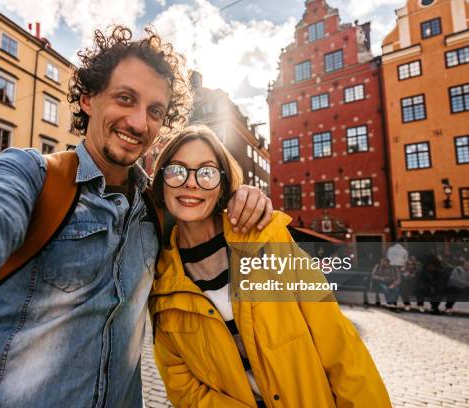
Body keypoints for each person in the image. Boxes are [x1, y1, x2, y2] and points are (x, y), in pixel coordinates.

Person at [0, 26, 273, 406]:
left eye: (154, 110)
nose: (138, 122)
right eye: (125, 98)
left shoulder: (155, 211)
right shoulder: (31, 175)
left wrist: (241, 198)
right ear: (88, 98)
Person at [148, 126, 391, 407]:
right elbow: (183, 388)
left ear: (223, 186)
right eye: (177, 170)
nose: (191, 183)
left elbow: (340, 346)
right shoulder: (162, 284)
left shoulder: (267, 238)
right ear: (161, 181)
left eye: (207, 172)